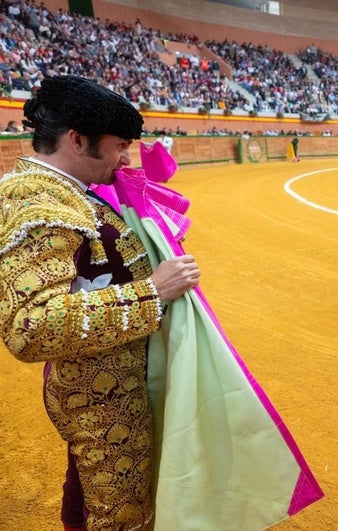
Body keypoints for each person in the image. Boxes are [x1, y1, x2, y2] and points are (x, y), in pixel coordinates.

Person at [0, 75, 200, 530]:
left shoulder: (65, 191)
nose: (127, 158)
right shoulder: (39, 201)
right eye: (119, 146)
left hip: (104, 381)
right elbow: (30, 326)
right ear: (77, 139)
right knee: (119, 512)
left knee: (90, 490)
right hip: (97, 392)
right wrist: (154, 291)